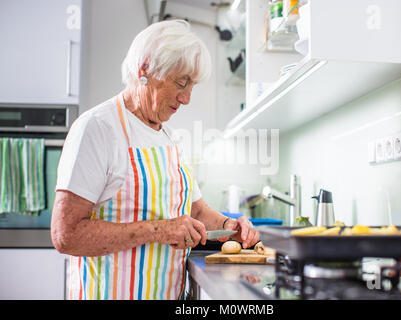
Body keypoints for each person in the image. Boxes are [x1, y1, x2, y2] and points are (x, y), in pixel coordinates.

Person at [51, 20, 259, 300]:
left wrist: (229, 226)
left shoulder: (170, 138)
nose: (186, 98)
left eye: (192, 86)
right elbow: (66, 234)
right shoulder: (97, 128)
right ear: (145, 69)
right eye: (181, 83)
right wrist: (160, 230)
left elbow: (196, 212)